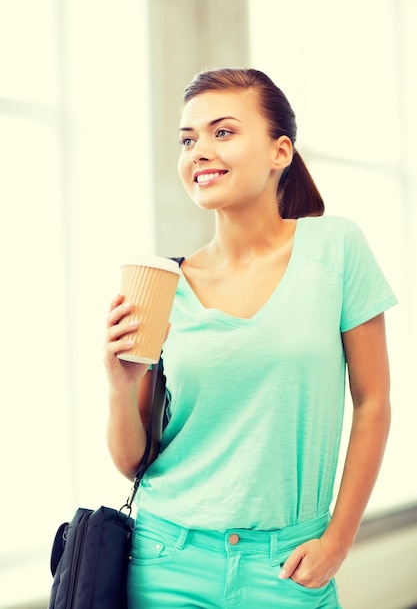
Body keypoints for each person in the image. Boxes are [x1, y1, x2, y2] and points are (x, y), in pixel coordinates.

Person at [104, 68, 397, 608]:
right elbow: (134, 461)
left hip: (288, 564)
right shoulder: (166, 283)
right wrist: (120, 385)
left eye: (223, 132)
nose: (199, 151)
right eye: (188, 139)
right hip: (167, 558)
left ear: (280, 152)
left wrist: (338, 539)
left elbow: (373, 402)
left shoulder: (335, 248)